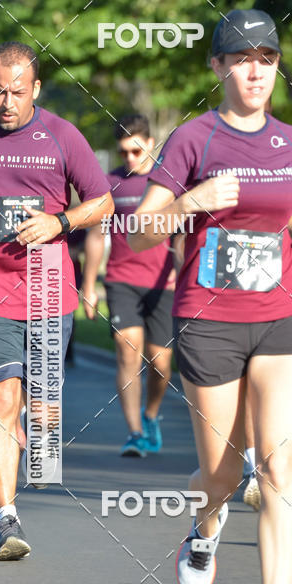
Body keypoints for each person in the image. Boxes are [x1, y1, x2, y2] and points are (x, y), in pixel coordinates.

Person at [128, 9, 292, 584]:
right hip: (210, 320)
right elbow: (138, 230)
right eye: (242, 58)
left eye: (267, 58)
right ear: (218, 66)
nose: (255, 70)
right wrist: (193, 201)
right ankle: (205, 524)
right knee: (222, 471)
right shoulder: (193, 138)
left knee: (279, 466)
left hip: (283, 316)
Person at [0, 41, 113, 559]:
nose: (7, 102)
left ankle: (26, 412)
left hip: (49, 283)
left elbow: (103, 201)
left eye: (17, 92)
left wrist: (59, 221)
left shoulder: (62, 137)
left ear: (36, 89)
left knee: (43, 413)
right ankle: (6, 519)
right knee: (1, 398)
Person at [82, 114, 175, 456]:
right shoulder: (109, 184)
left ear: (150, 144)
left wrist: (182, 269)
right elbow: (95, 235)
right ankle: (135, 432)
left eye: (136, 151)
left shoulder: (166, 183)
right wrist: (90, 285)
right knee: (127, 350)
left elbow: (183, 231)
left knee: (161, 362)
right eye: (124, 153)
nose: (131, 159)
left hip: (163, 282)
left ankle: (150, 415)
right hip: (121, 279)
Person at [242, 159, 292, 511]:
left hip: (280, 300)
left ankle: (263, 467)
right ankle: (247, 463)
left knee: (264, 388)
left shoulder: (291, 150)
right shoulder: (201, 143)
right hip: (217, 303)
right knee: (243, 388)